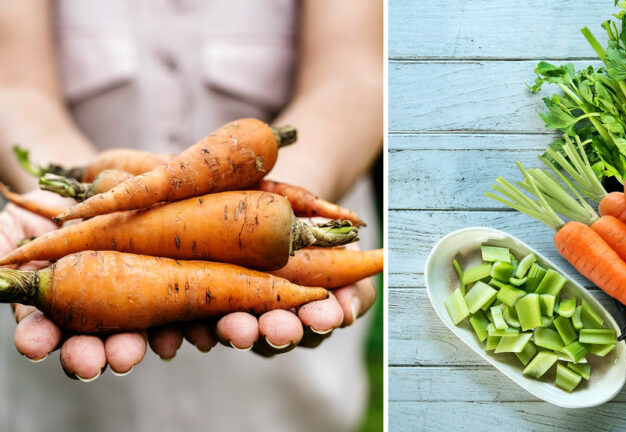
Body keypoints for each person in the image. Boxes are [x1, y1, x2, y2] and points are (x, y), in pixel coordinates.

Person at [0, 1, 382, 431]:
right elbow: (14, 84)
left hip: (275, 395)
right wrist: (76, 200)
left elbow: (356, 77)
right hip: (71, 399)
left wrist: (279, 204)